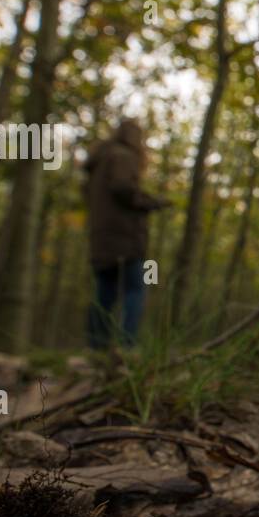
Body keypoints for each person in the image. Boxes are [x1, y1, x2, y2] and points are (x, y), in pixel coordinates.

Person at [84, 119, 167, 349]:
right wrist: (150, 202)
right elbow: (123, 189)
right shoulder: (123, 156)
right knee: (135, 289)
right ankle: (127, 345)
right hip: (125, 238)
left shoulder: (99, 162)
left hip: (101, 237)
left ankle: (96, 347)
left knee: (104, 293)